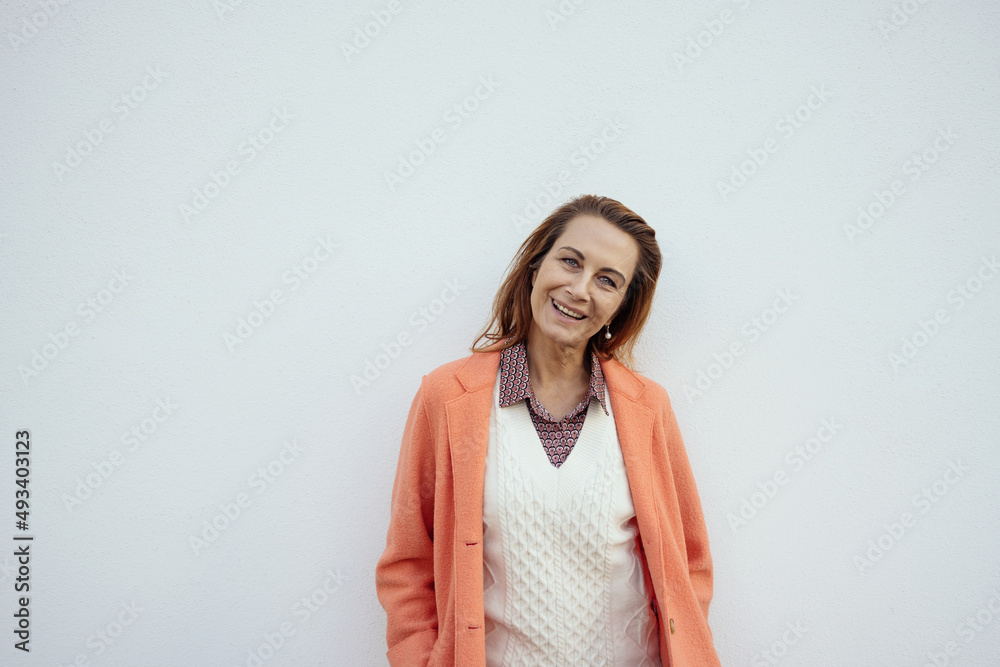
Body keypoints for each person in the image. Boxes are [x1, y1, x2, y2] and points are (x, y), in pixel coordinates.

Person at [375, 194, 721, 666]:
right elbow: (408, 564)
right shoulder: (448, 398)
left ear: (621, 305)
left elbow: (690, 561)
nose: (579, 289)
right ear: (536, 266)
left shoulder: (647, 408)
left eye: (607, 280)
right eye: (570, 261)